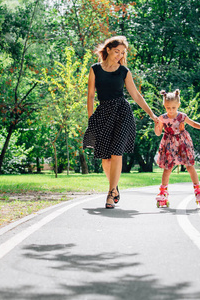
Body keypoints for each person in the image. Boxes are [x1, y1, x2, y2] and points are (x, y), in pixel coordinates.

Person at [83, 36, 157, 209]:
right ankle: (114, 188)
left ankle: (110, 194)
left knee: (117, 153)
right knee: (105, 159)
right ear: (108, 49)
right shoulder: (95, 69)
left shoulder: (124, 71)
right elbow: (91, 96)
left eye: (122, 53)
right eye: (117, 51)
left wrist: (152, 115)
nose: (119, 55)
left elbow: (136, 95)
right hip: (102, 114)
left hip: (122, 113)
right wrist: (90, 118)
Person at [154, 89, 200, 207]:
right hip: (169, 144)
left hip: (182, 143)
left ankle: (198, 189)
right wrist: (157, 124)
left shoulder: (182, 116)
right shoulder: (162, 118)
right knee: (167, 168)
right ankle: (163, 192)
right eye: (168, 108)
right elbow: (158, 133)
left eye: (173, 108)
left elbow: (193, 123)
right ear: (164, 106)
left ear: (178, 105)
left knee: (190, 166)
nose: (171, 110)